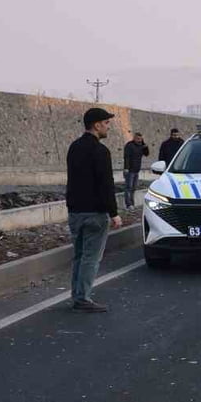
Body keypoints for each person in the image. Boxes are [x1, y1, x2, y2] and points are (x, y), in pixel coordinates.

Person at [66, 107, 122, 312]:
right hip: (95, 213)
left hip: (75, 211)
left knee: (79, 256)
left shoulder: (74, 147)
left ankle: (77, 295)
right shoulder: (100, 151)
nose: (108, 127)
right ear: (97, 125)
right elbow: (106, 185)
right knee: (91, 258)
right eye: (106, 123)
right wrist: (114, 213)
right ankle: (82, 298)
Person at [121, 131, 149, 210]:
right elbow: (126, 157)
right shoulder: (129, 145)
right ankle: (128, 204)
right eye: (137, 139)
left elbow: (146, 154)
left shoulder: (141, 146)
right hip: (129, 170)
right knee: (128, 187)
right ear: (134, 138)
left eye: (140, 139)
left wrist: (146, 147)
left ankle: (132, 203)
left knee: (133, 188)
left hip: (136, 170)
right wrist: (126, 168)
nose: (139, 140)